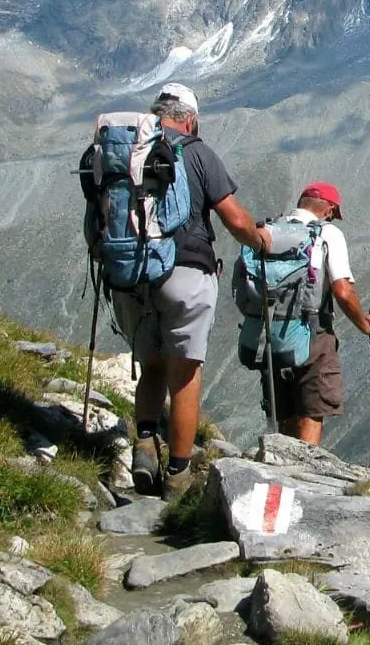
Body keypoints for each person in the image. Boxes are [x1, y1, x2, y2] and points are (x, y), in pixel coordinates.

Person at [114, 83, 269, 497]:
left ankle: (145, 445)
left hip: (131, 275)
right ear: (190, 118)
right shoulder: (196, 151)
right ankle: (177, 477)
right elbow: (234, 219)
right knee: (185, 374)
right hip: (185, 272)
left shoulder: (128, 149)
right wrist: (260, 242)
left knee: (152, 365)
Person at [266, 181, 370, 445]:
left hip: (270, 331)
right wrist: (365, 324)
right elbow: (342, 291)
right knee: (311, 410)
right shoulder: (327, 234)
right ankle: (305, 475)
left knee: (285, 411)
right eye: (333, 212)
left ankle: (282, 471)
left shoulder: (272, 230)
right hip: (312, 331)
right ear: (328, 208)